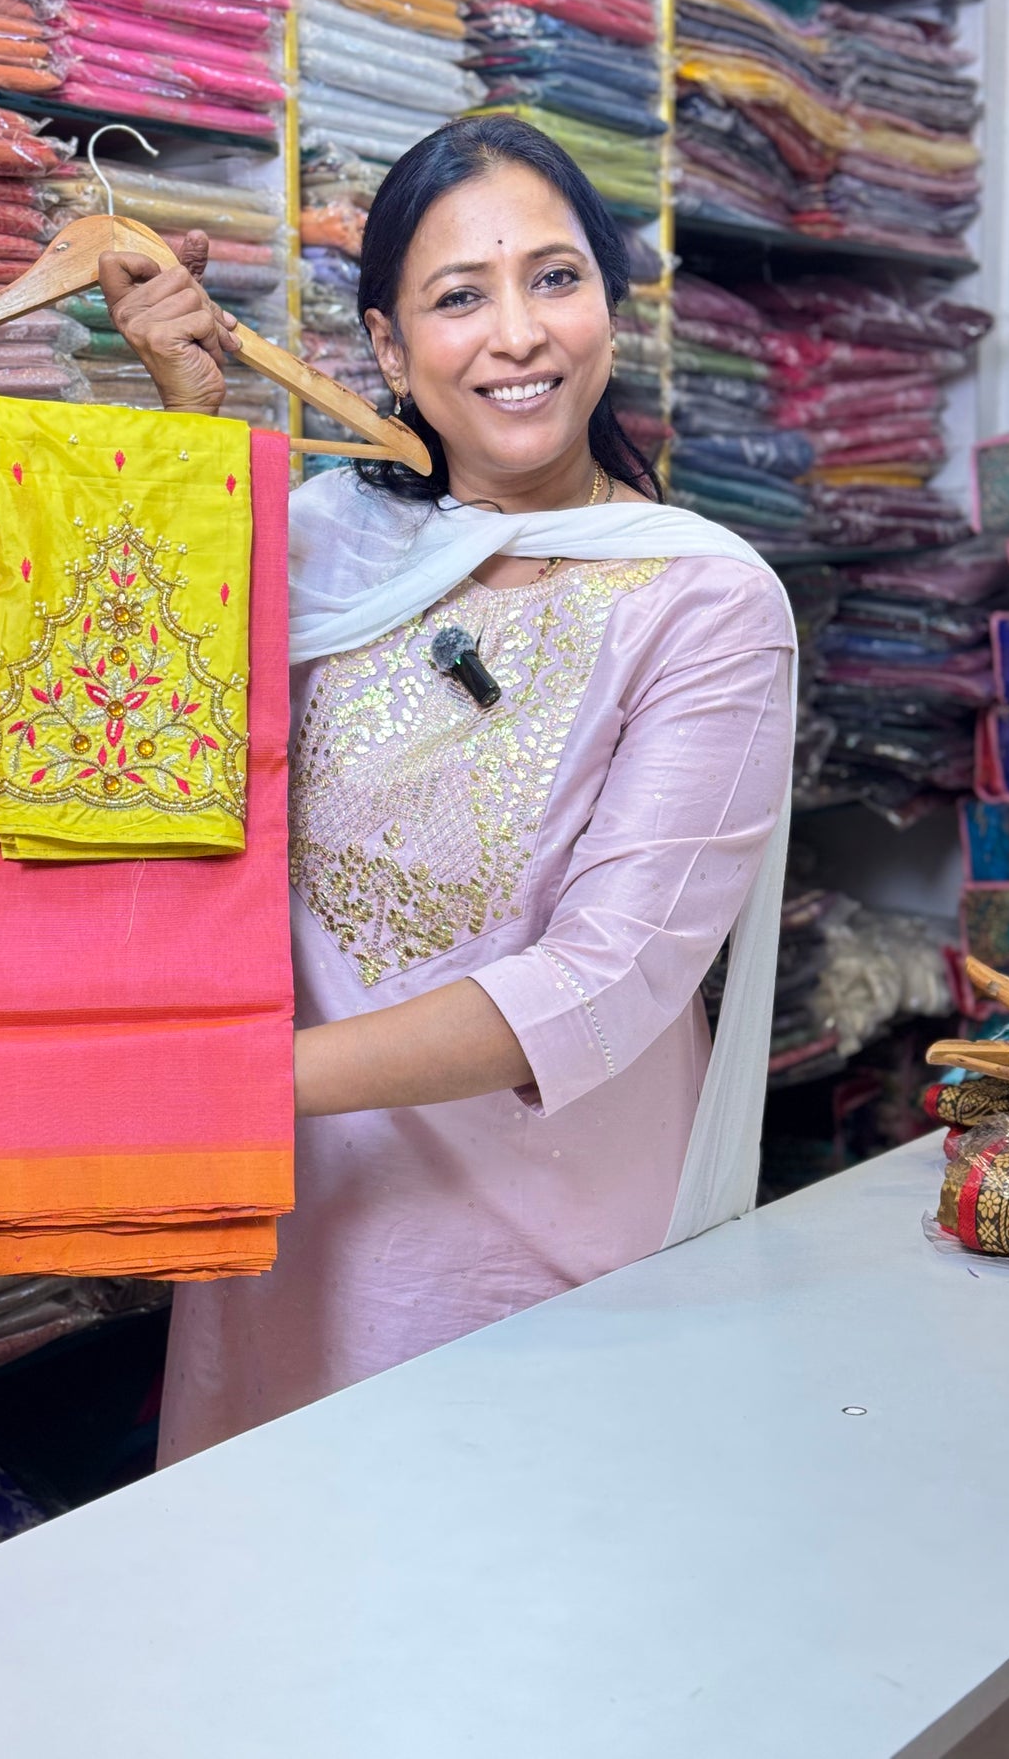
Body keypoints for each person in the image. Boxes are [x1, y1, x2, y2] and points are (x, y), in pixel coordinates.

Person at [98, 114, 796, 1462]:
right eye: (458, 297)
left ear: (608, 302)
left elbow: (604, 980)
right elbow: (152, 731)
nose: (517, 334)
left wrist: (224, 1081)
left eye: (553, 277)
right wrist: (188, 417)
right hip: (294, 1242)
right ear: (385, 347)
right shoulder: (317, 546)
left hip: (541, 1266)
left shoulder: (702, 601)